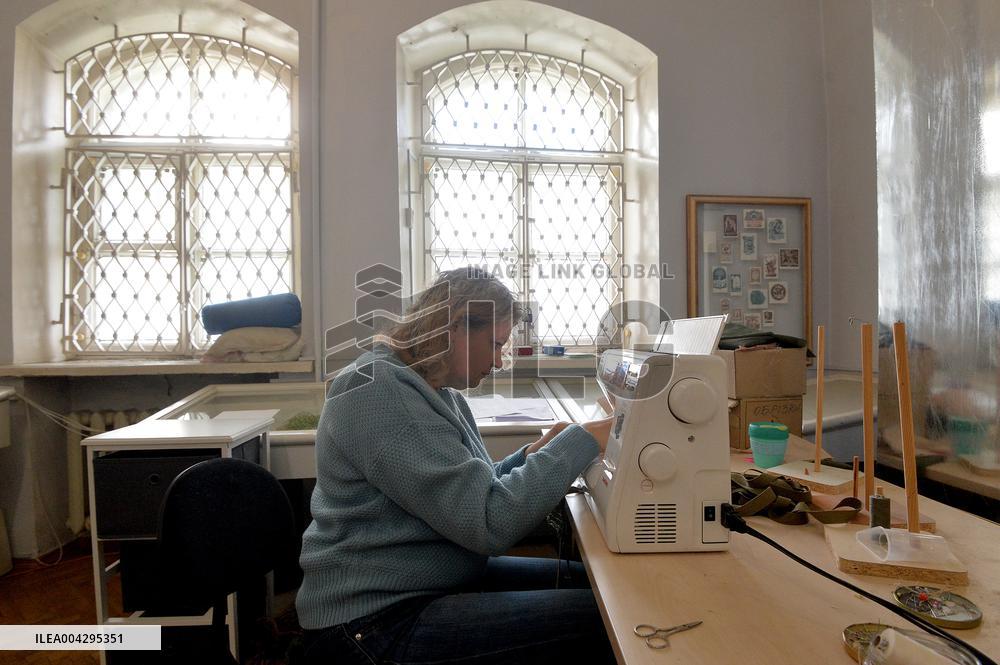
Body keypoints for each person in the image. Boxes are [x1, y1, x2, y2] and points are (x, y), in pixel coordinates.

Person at [297, 266, 616, 664]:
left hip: (429, 581)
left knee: (599, 584)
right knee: (607, 618)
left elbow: (472, 491)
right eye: (495, 344)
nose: (499, 361)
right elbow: (489, 523)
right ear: (455, 329)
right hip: (374, 622)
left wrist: (531, 455)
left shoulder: (435, 392)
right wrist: (583, 439)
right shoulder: (380, 391)